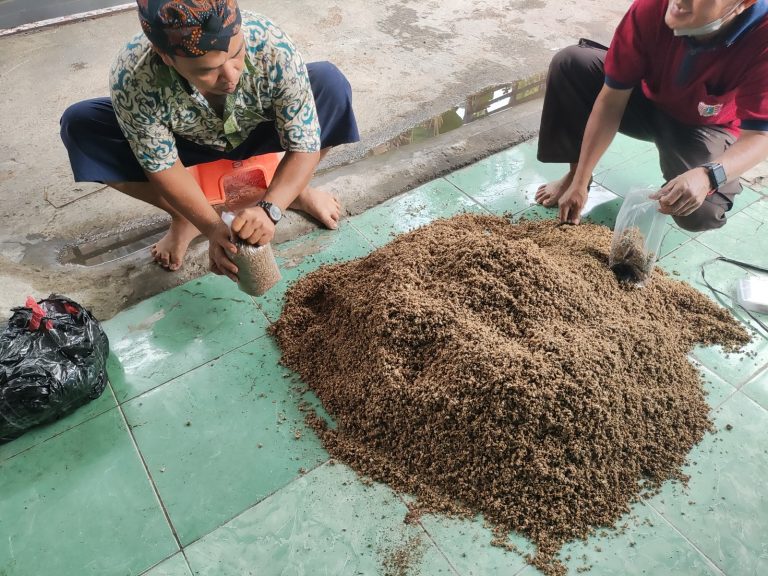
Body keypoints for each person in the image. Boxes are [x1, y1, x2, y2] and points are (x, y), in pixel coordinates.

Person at [60, 0, 359, 280]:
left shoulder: (272, 45)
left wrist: (271, 209)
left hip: (256, 126)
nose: (230, 77)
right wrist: (213, 227)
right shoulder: (134, 77)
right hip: (185, 141)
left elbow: (303, 142)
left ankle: (292, 191)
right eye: (207, 70)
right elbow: (161, 166)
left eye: (236, 54)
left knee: (329, 84)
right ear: (166, 57)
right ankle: (185, 216)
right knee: (81, 126)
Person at [535, 0, 768, 231]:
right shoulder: (653, 6)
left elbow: (760, 135)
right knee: (571, 64)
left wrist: (708, 176)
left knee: (700, 212)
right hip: (647, 100)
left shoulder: (762, 37)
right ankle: (574, 175)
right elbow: (611, 100)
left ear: (743, 3)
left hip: (703, 127)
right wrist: (581, 179)